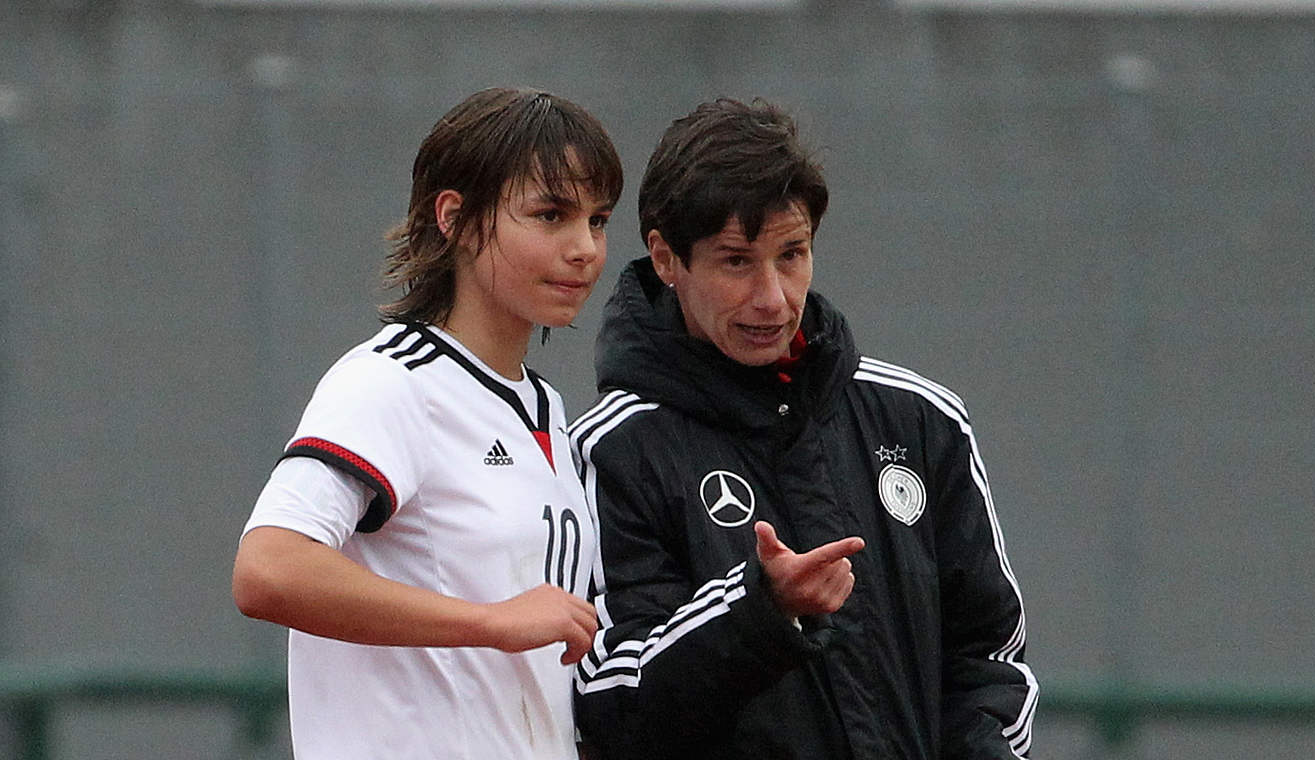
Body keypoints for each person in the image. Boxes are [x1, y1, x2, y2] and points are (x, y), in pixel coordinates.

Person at [568, 98, 1037, 760]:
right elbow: (608, 706)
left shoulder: (922, 421)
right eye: (736, 261)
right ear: (667, 260)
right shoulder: (607, 452)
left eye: (792, 254)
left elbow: (991, 657)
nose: (773, 296)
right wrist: (759, 613)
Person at [232, 87, 622, 760]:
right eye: (550, 214)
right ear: (456, 218)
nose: (584, 246)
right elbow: (269, 569)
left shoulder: (551, 416)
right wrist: (490, 623)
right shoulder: (390, 381)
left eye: (598, 219)